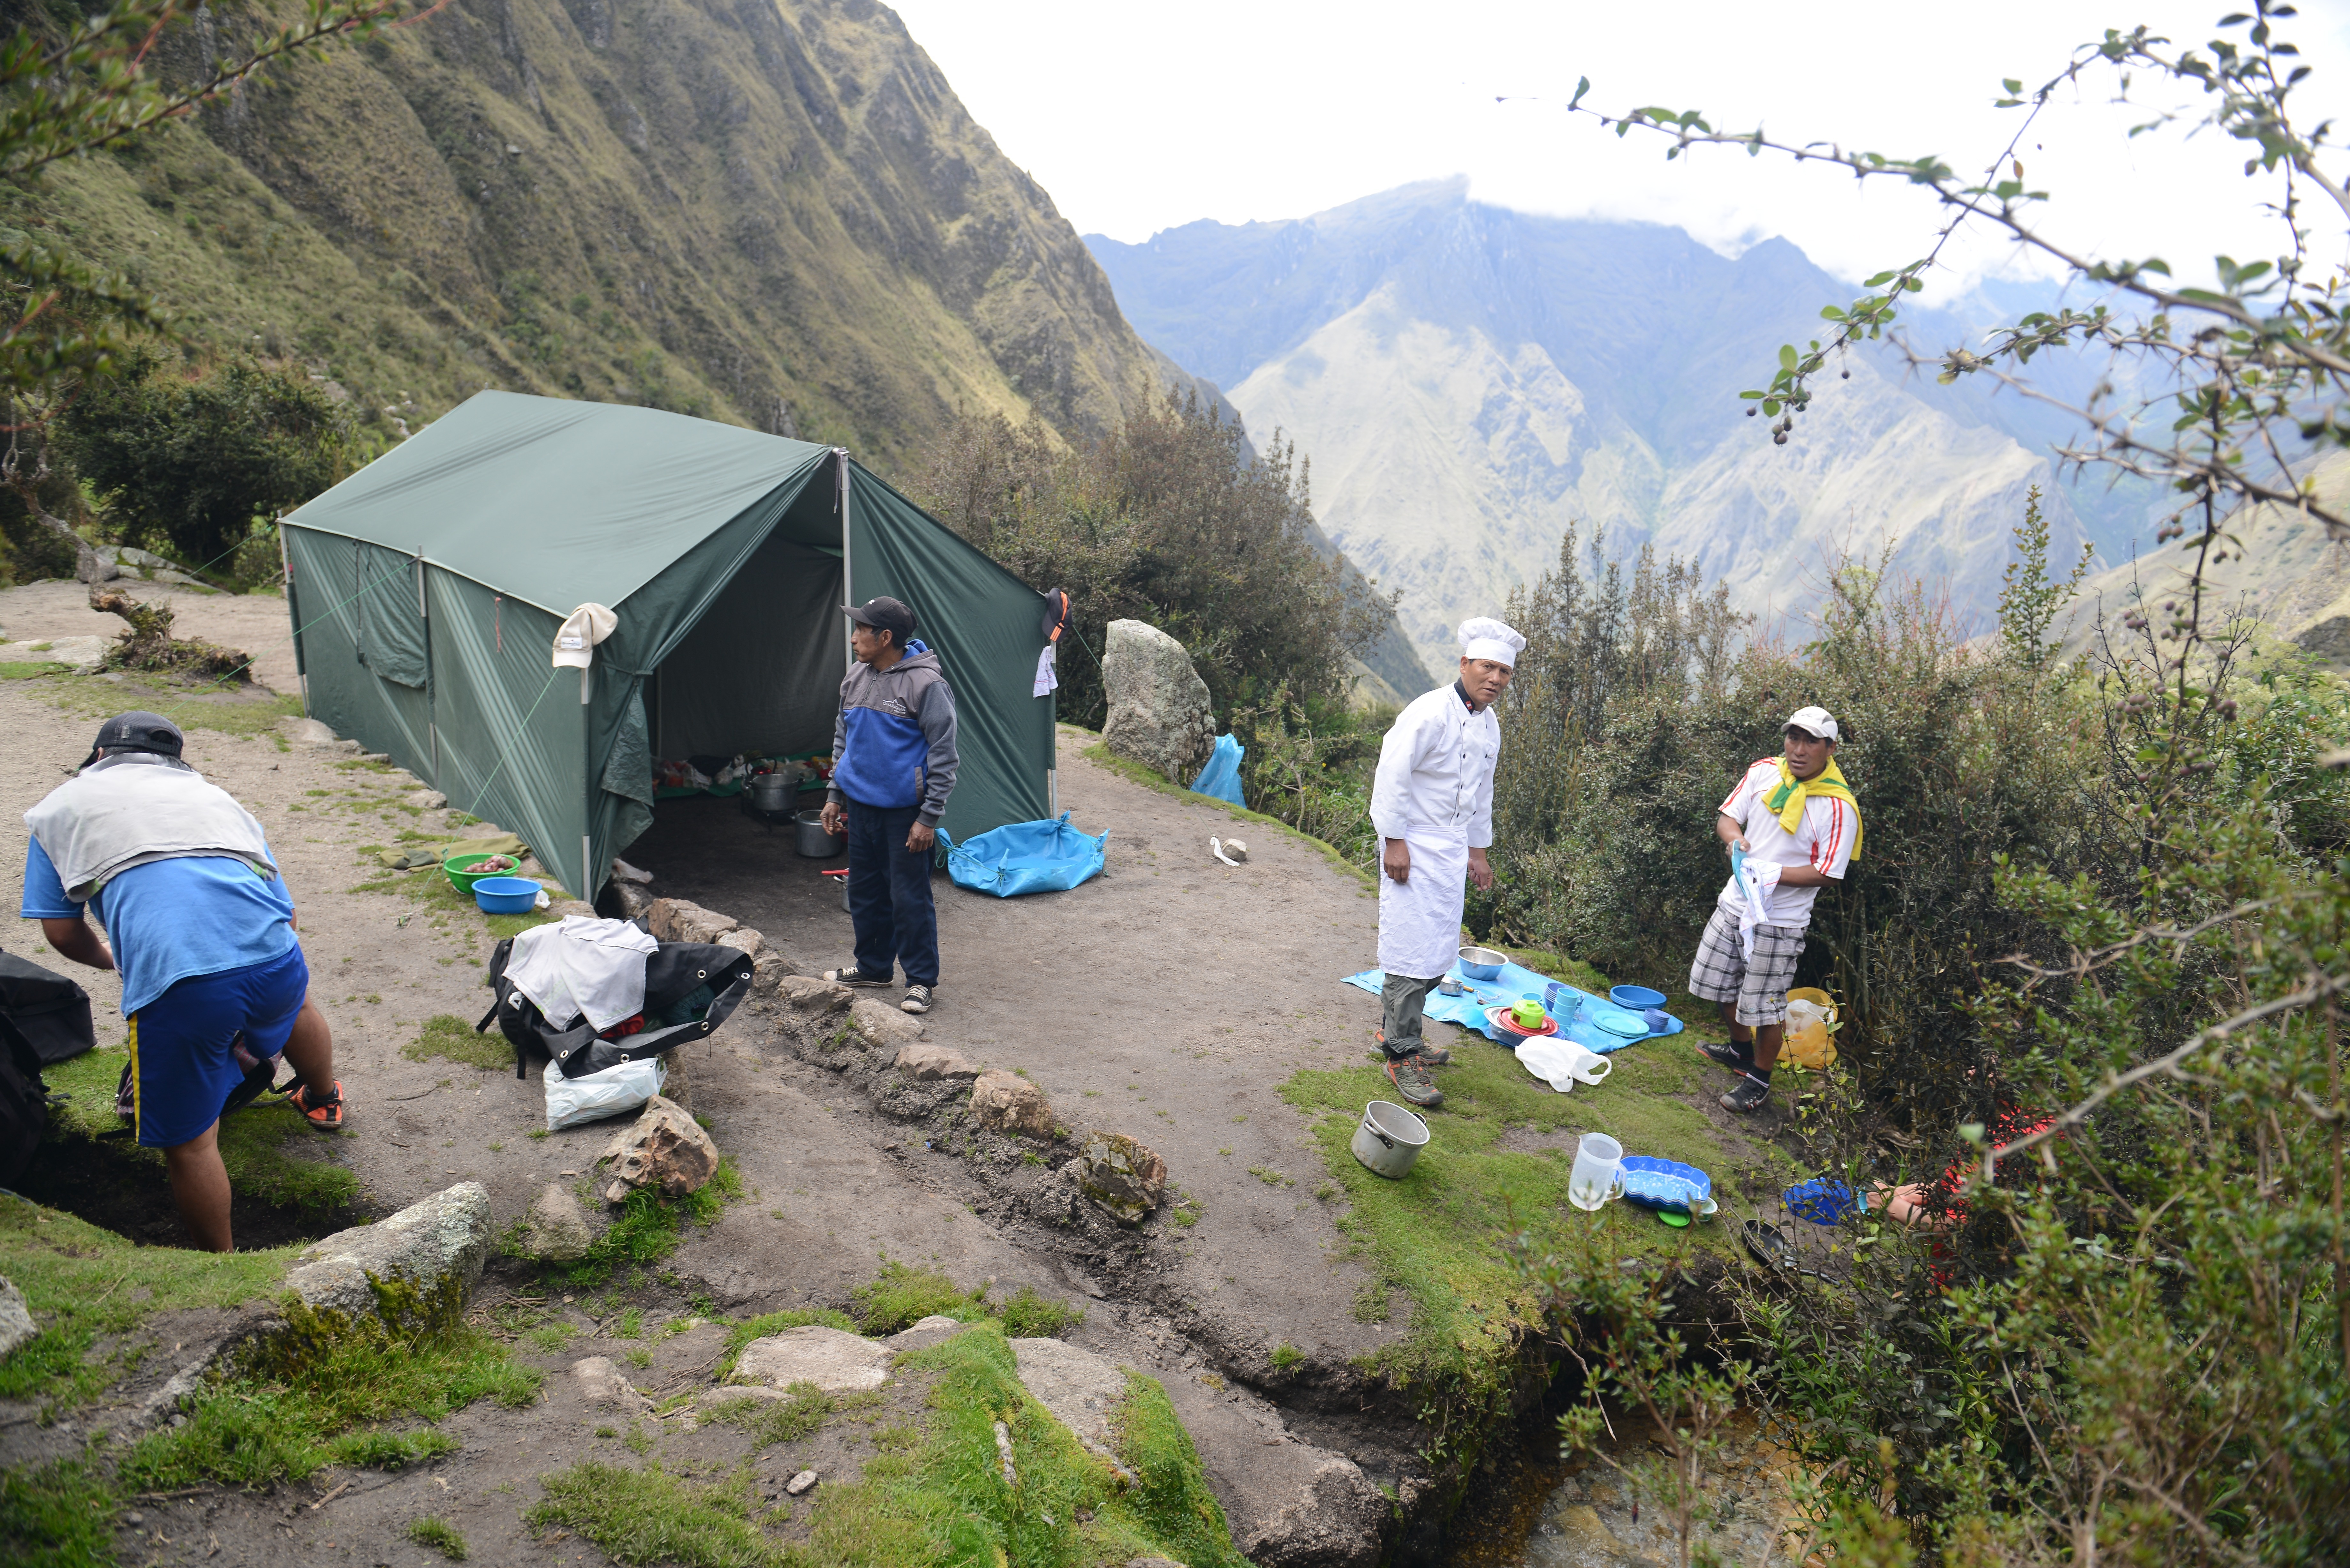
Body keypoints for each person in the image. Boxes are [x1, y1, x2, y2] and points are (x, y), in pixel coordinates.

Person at [20, 712, 343, 1251]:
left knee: (191, 1145)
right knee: (296, 1004)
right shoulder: (217, 800)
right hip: (277, 960)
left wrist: (113, 960)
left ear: (99, 757)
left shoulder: (60, 810)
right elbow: (284, 913)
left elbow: (61, 931)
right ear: (175, 762)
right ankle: (323, 1096)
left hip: (182, 987)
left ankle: (221, 1264)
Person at [1368, 616, 1523, 1110]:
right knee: (1410, 955)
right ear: (1464, 664)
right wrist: (1394, 842)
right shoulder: (1429, 713)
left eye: (1505, 671)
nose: (1496, 679)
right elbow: (1391, 776)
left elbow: (1483, 793)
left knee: (1436, 952)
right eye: (1487, 667)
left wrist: (1478, 853)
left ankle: (1396, 1030)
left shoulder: (1489, 724)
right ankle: (1401, 1054)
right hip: (1412, 845)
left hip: (1452, 849)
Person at [1688, 705, 1861, 1114]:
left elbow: (1829, 873)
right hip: (1735, 903)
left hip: (1779, 922)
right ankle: (1739, 1050)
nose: (1799, 749)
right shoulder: (1765, 771)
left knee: (1765, 1006)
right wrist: (1735, 842)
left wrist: (1773, 874)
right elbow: (1729, 818)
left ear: (1830, 748)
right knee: (1715, 983)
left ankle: (1759, 1080)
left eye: (1811, 742)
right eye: (1793, 738)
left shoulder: (1839, 807)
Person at [821, 596, 958, 1016]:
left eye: (861, 630)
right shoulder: (855, 676)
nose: (854, 637)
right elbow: (844, 738)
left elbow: (945, 754)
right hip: (861, 807)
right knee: (865, 893)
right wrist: (834, 793)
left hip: (905, 815)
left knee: (908, 898)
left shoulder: (927, 686)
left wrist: (928, 818)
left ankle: (920, 982)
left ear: (885, 637)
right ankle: (874, 968)